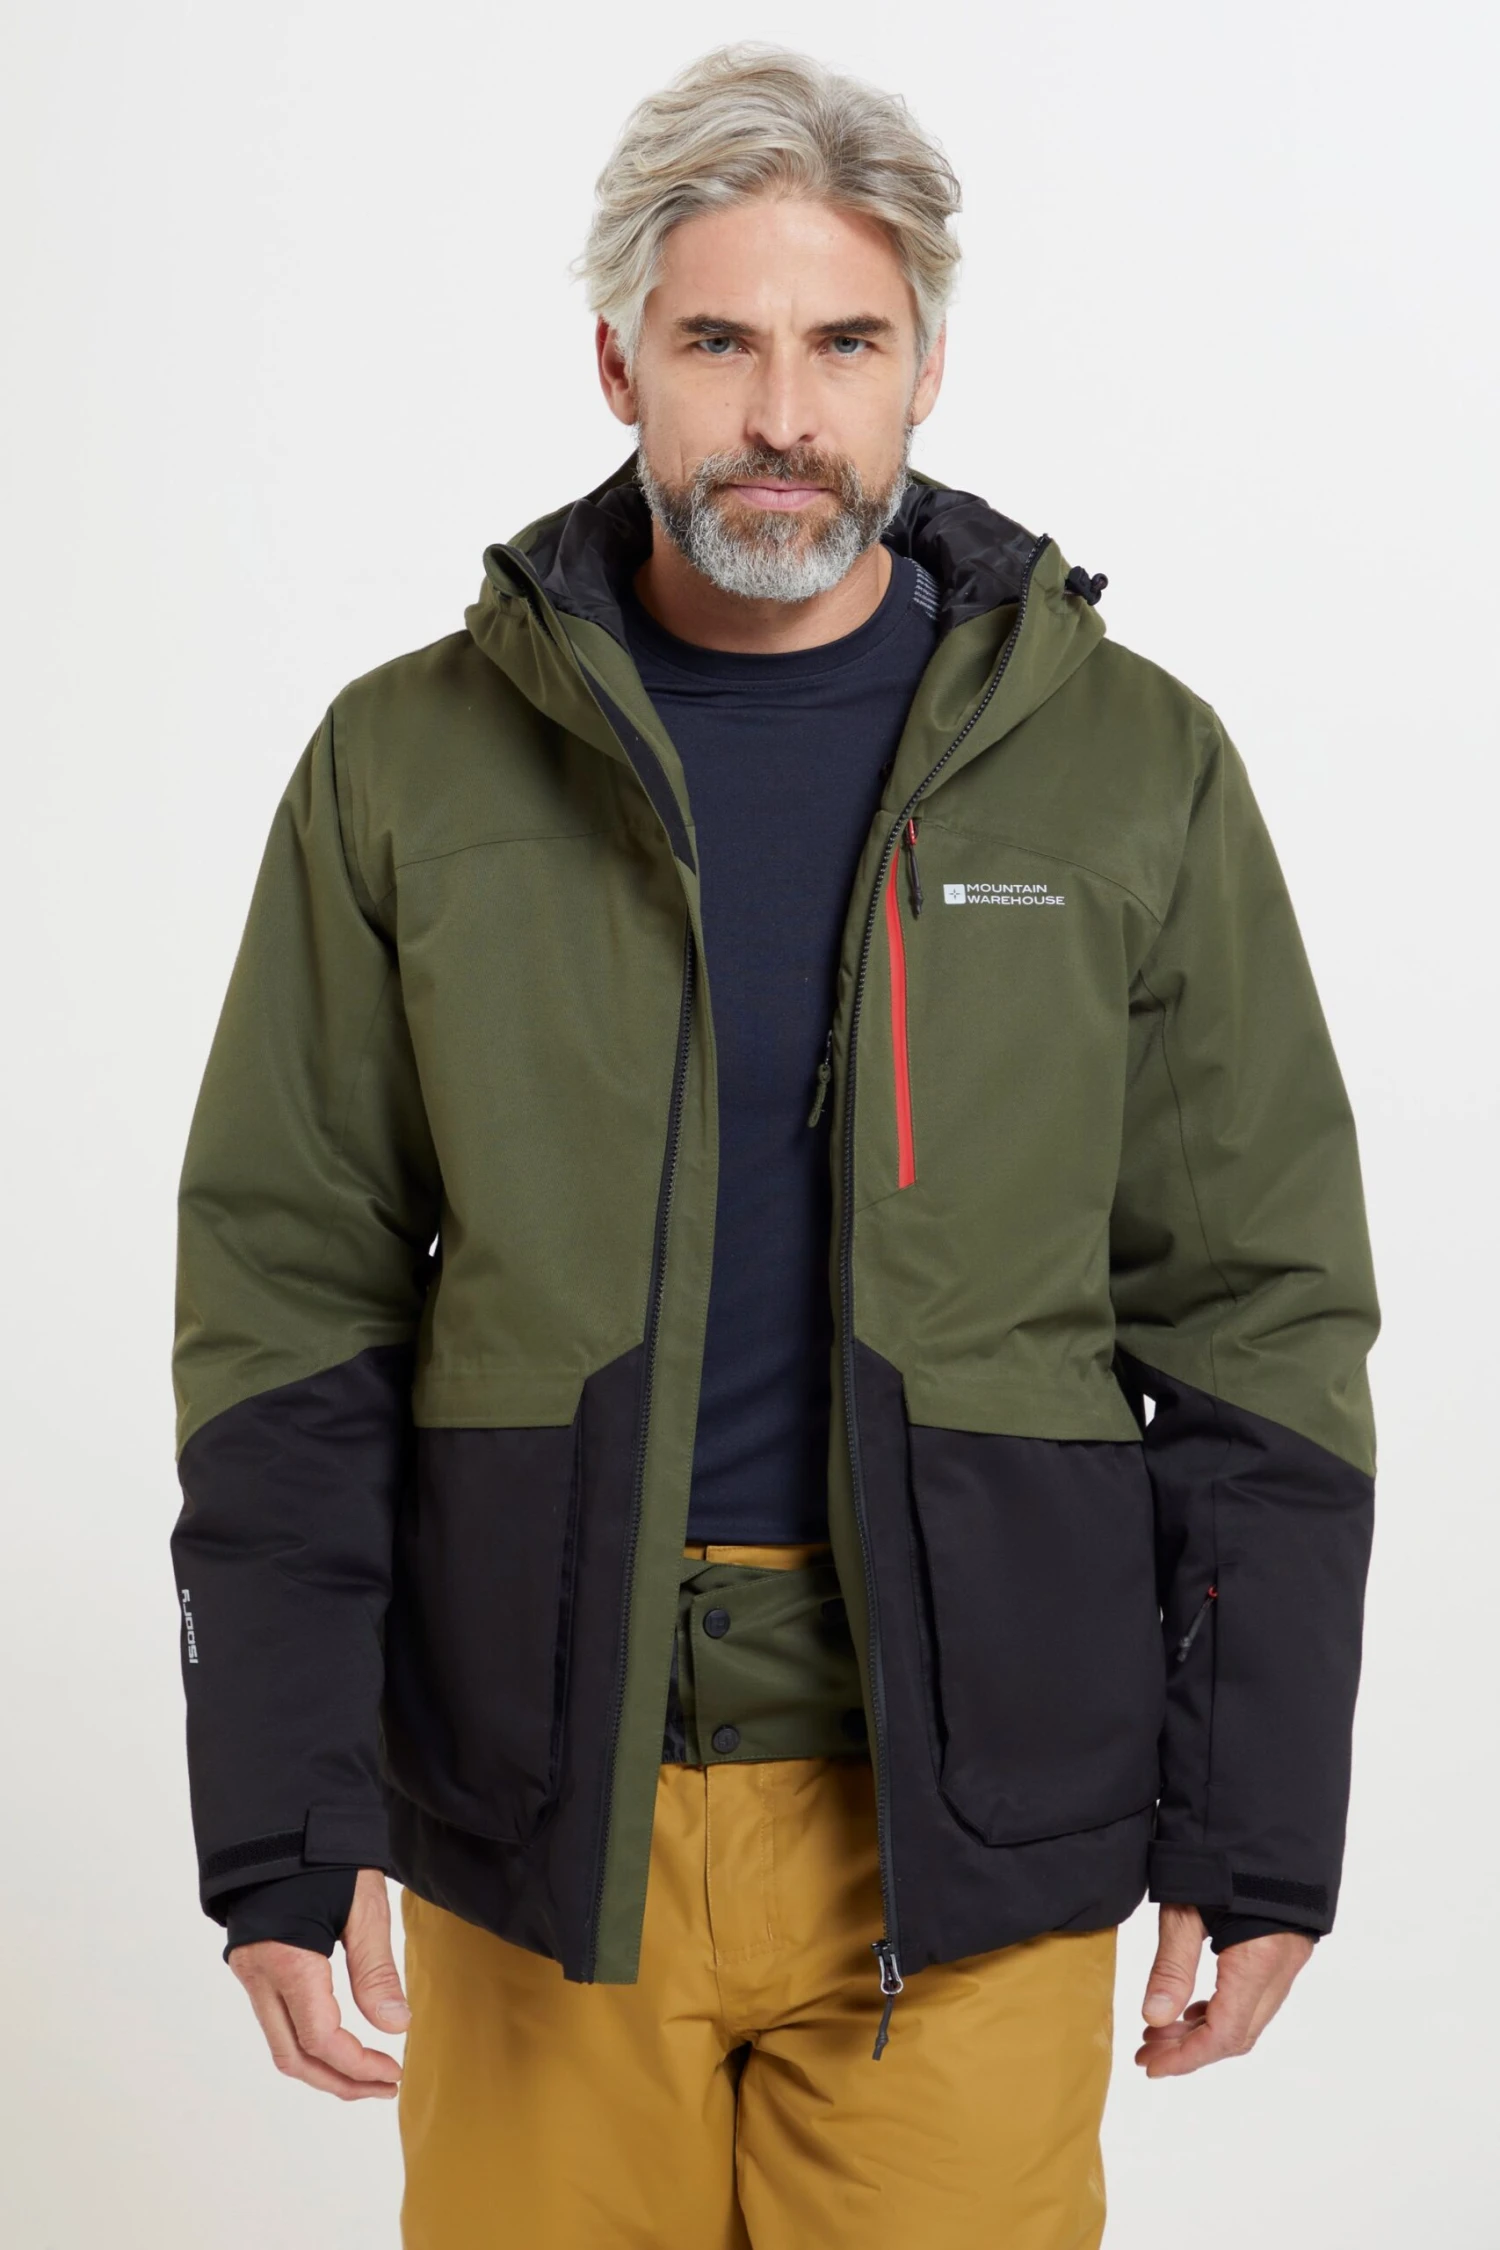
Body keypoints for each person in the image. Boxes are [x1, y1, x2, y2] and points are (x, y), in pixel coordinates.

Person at [169, 43, 1380, 2249]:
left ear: (927, 370)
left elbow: (1256, 1315)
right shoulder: (410, 765)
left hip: (976, 1814)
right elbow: (290, 1300)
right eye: (720, 341)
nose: (784, 414)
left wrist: (1257, 1816)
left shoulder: (1131, 769)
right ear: (618, 360)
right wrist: (283, 1814)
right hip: (546, 1801)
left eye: (846, 343)